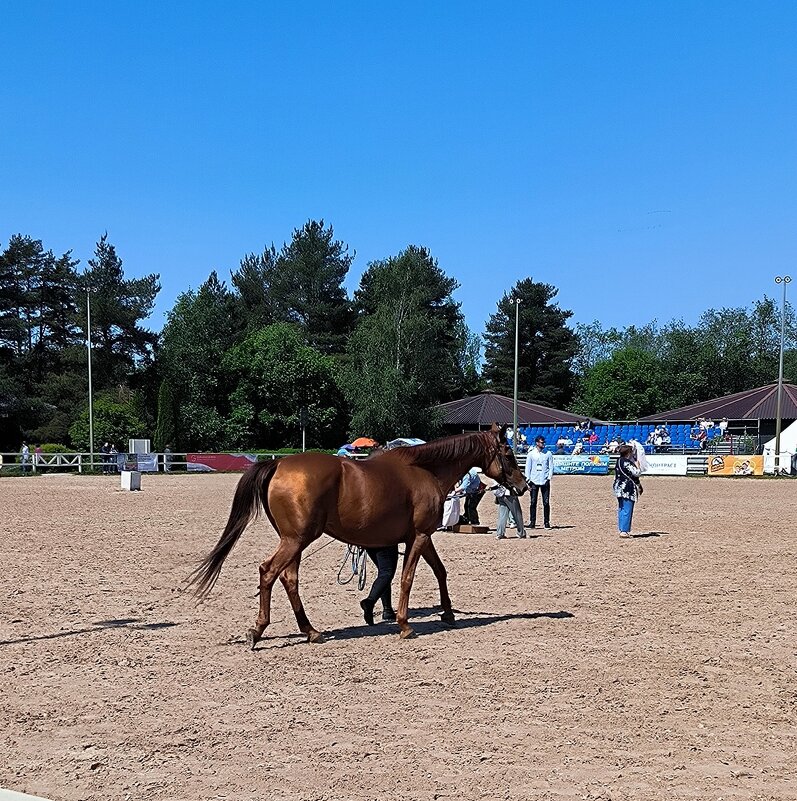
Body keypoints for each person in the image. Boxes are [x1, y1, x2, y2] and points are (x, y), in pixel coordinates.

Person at [360, 545, 398, 624]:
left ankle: (388, 610)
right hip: (385, 540)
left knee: (383, 572)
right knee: (387, 572)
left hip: (368, 542)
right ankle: (370, 602)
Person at [613, 443, 643, 538]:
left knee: (621, 508)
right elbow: (636, 473)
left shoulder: (618, 461)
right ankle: (624, 531)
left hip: (619, 487)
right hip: (627, 488)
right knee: (627, 508)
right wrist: (638, 466)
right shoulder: (627, 462)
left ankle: (622, 528)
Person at [525, 435, 553, 529]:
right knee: (533, 502)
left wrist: (548, 478)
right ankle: (532, 522)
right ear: (537, 443)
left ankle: (546, 522)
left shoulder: (548, 453)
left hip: (544, 480)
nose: (543, 444)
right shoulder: (531, 454)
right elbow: (528, 468)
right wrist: (528, 480)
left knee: (546, 502)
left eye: (543, 442)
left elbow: (551, 467)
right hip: (534, 480)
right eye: (541, 442)